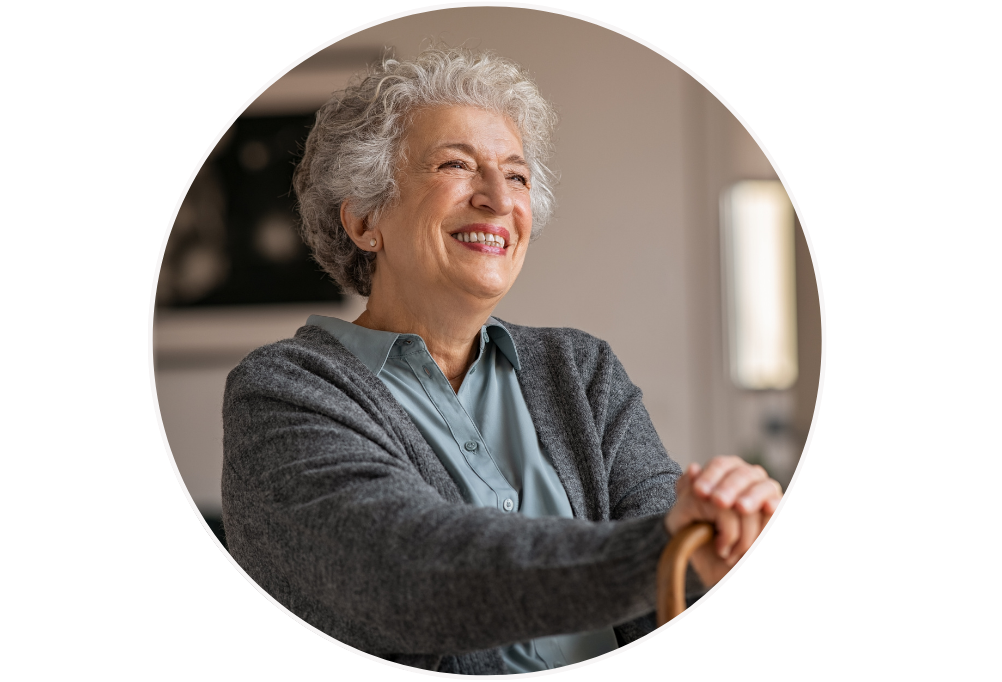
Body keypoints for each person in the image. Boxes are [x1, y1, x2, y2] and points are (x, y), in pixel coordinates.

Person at [222, 46, 782, 675]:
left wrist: (731, 536)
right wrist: (664, 551)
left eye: (515, 175)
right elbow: (401, 571)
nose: (497, 198)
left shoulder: (581, 369)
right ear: (363, 219)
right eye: (456, 165)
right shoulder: (283, 390)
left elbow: (679, 580)